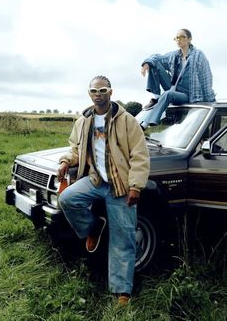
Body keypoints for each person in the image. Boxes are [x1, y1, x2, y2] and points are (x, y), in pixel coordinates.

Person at [57, 75, 150, 304]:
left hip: (120, 185)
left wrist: (136, 186)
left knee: (123, 238)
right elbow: (76, 149)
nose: (98, 94)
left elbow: (140, 155)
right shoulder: (83, 121)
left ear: (111, 92)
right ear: (89, 94)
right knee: (67, 198)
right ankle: (94, 226)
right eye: (94, 91)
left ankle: (122, 291)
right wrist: (66, 161)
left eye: (103, 90)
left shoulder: (127, 120)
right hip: (96, 181)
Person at [140, 28, 215, 128]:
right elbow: (156, 57)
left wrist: (210, 100)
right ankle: (156, 97)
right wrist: (145, 65)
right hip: (174, 87)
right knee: (153, 63)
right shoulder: (174, 55)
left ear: (189, 39)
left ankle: (146, 123)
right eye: (176, 38)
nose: (179, 40)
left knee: (167, 94)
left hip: (189, 94)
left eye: (182, 37)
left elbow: (206, 78)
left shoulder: (198, 55)